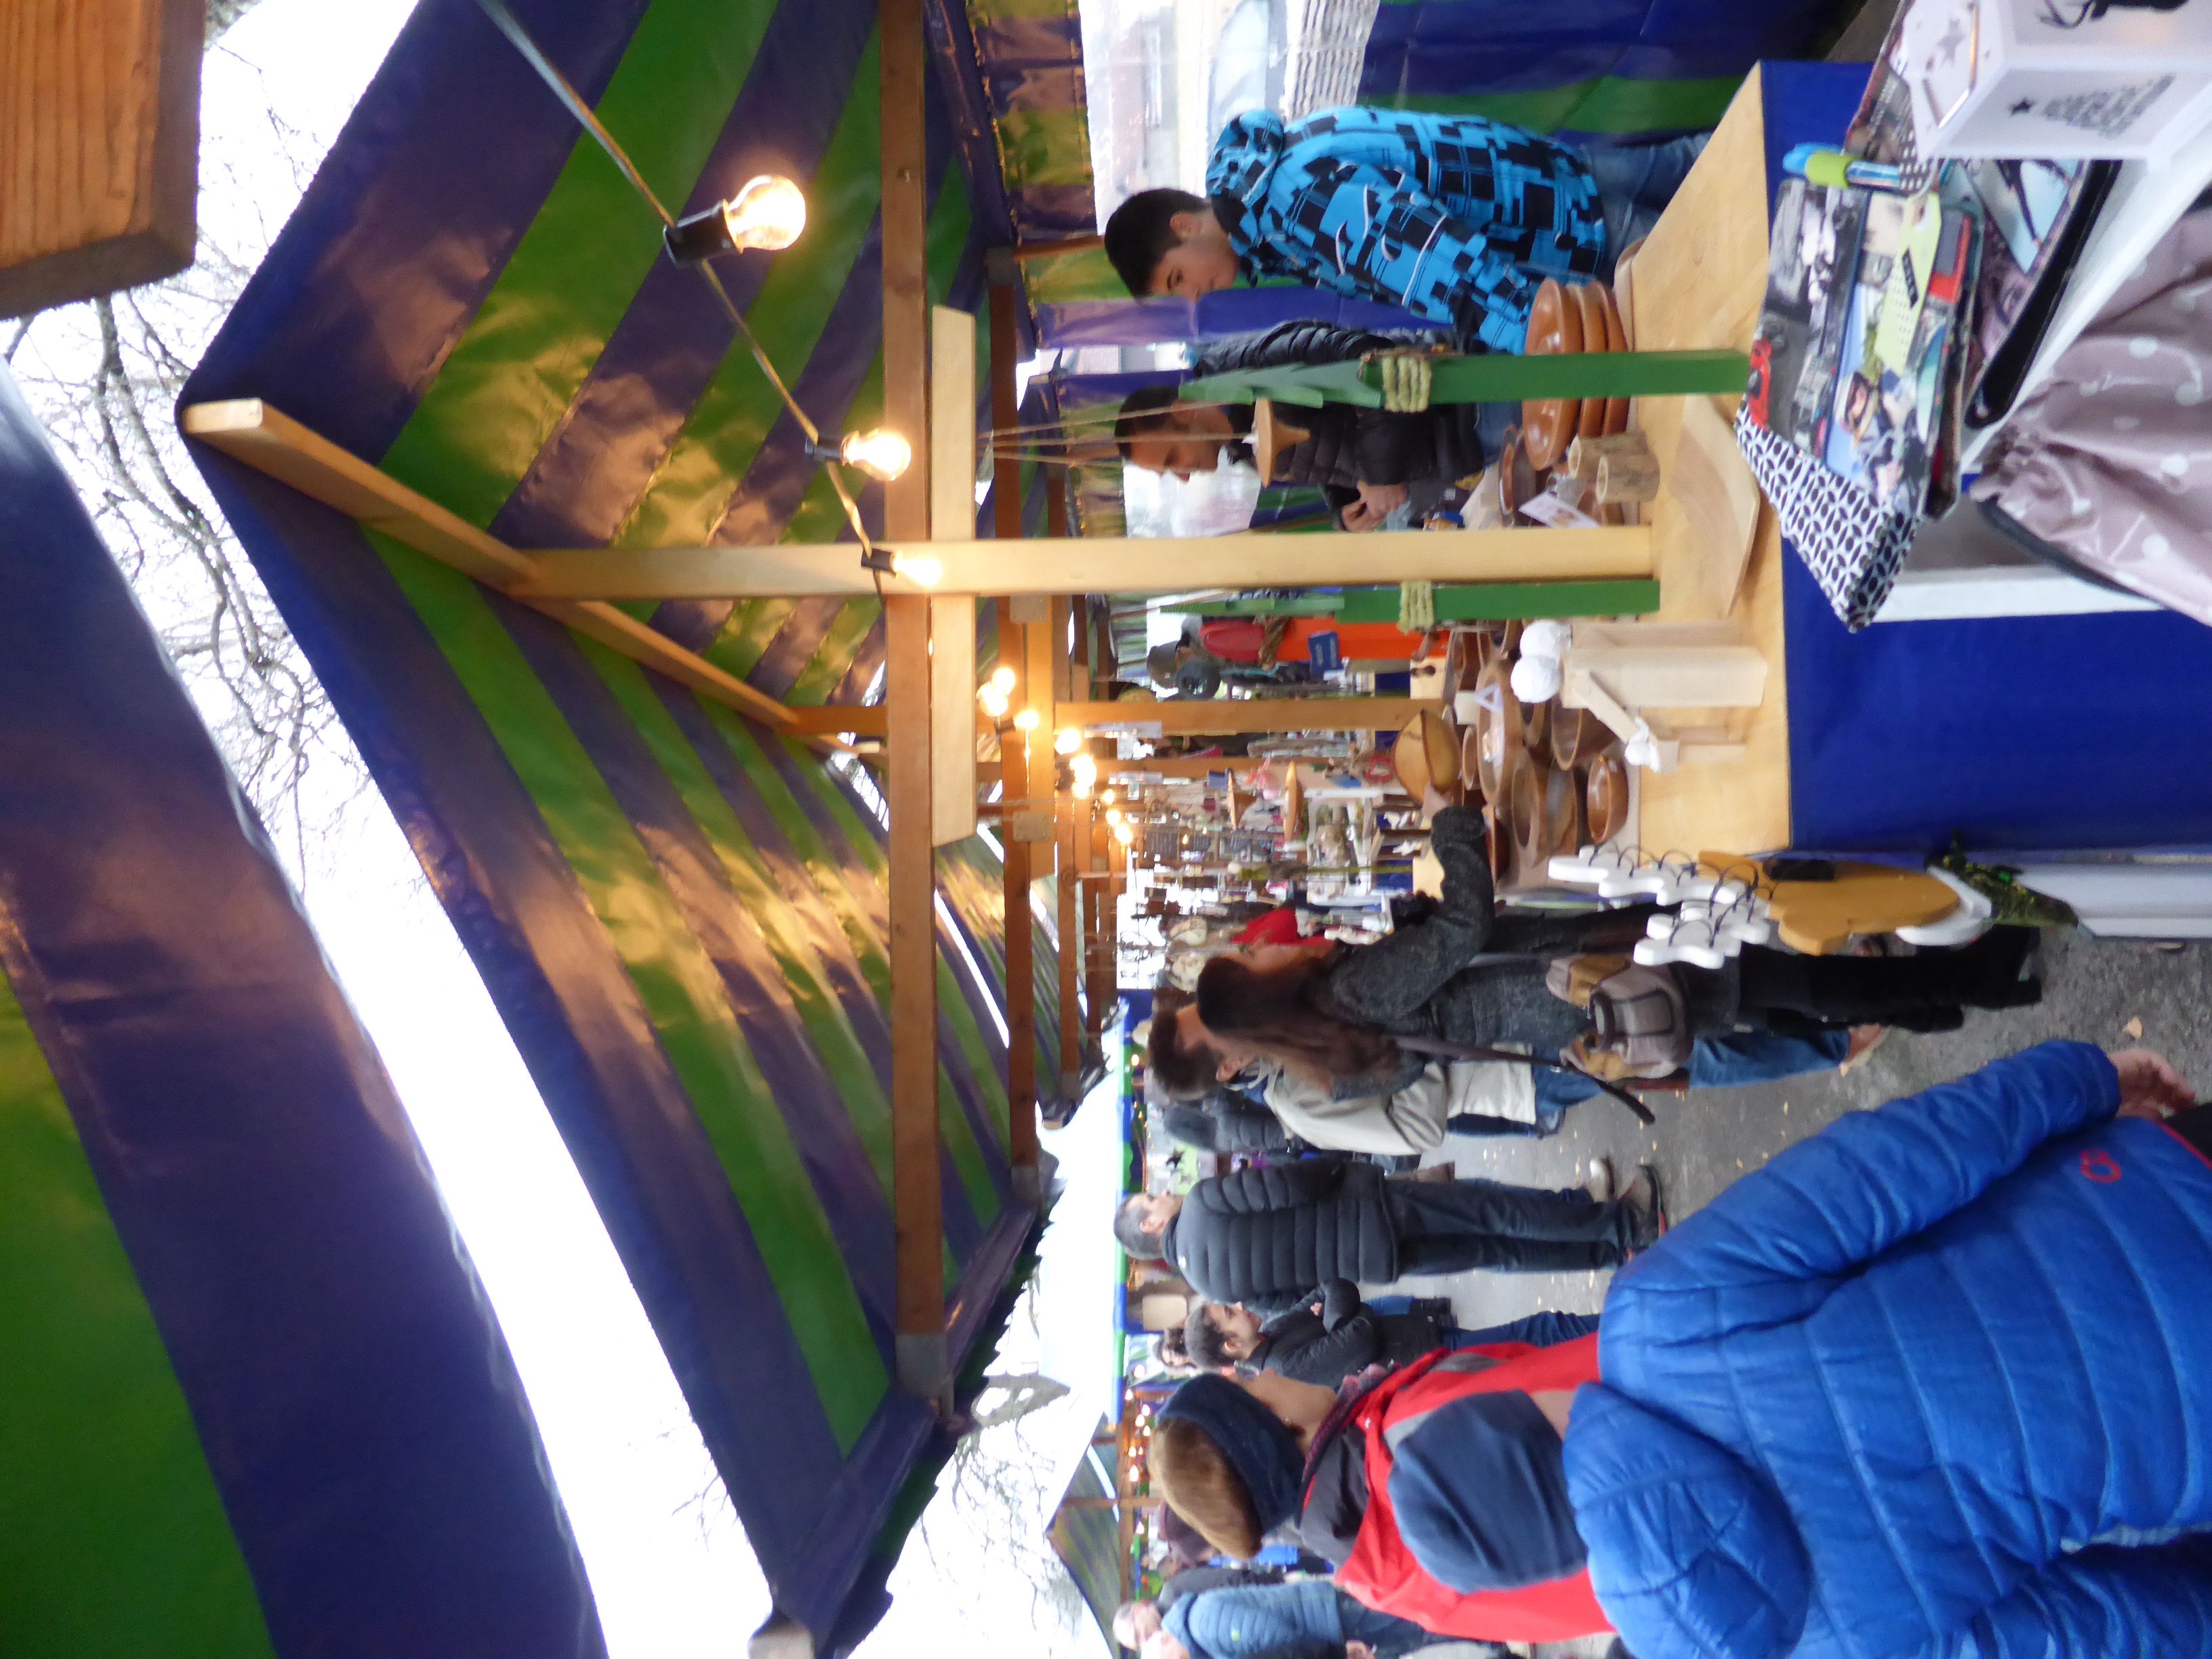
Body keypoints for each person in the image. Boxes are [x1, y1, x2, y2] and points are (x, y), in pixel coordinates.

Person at [1156, 1044, 2212, 1659]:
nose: (1259, 1360)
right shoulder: (1659, 1321)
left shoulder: (1796, 1641)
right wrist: (2078, 1080)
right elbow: (1885, 1169)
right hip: (2144, 1205)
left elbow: (2081, 1634)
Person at [1152, 808, 2041, 1103]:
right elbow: (1465, 933)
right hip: (1588, 975)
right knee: (1788, 977)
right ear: (1255, 1004)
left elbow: (1429, 1012)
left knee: (1774, 998)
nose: (1256, 954)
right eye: (1244, 969)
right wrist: (1453, 825)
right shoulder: (1344, 994)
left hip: (1589, 1005)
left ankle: (1937, 1001)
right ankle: (1980, 977)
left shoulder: (1328, 1062)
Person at [1103, 106, 1708, 352]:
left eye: (1178, 278)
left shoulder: (1288, 204)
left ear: (1185, 225)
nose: (1193, 296)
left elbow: (1433, 260)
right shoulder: (1267, 169)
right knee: (1708, 162)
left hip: (1553, 227)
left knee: (1711, 259)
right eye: (1177, 296)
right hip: (1537, 173)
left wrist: (1538, 335)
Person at [1111, 1152, 1660, 1305]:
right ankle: (1625, 1224)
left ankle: (1606, 1253)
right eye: (1151, 1199)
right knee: (1494, 1209)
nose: (1163, 1192)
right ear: (1152, 1223)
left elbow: (1293, 1301)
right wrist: (1337, 1166)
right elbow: (1289, 1185)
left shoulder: (1210, 1287)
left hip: (1376, 1262)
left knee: (1495, 1250)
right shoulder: (1203, 1204)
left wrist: (1337, 1267)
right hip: (1371, 1209)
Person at [1115, 322, 1511, 525]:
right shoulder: (1243, 446)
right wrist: (1344, 508)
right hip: (1464, 444)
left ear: (1184, 412)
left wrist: (1381, 476)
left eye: (1172, 459)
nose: (1184, 476)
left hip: (1464, 400)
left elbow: (1363, 358)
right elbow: (1330, 451)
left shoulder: (1251, 365)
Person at [1187, 1284, 1598, 1385]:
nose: (1239, 1306)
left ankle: (1608, 1333)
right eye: (1230, 1314)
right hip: (1428, 1356)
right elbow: (1362, 1337)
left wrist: (1336, 1324)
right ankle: (1615, 1327)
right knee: (1537, 1334)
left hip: (1422, 1336)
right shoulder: (1283, 1368)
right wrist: (1345, 1321)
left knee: (1534, 1339)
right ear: (1232, 1345)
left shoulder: (1274, 1330)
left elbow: (1332, 1286)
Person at [1115, 1580, 1442, 1659]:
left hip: (1330, 1620)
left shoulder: (1202, 1623)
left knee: (1422, 1617)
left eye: (1140, 1635)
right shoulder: (1199, 1638)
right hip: (1329, 1630)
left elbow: (1279, 1641)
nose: (1144, 1640)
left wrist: (1336, 1654)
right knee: (1419, 1630)